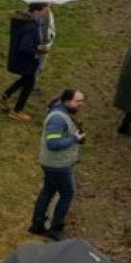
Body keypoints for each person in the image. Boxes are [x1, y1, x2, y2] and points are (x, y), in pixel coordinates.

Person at [28, 88, 85, 241]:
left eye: (81, 101)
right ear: (67, 100)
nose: (81, 104)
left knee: (48, 191)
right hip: (58, 166)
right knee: (67, 194)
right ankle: (55, 229)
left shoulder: (62, 114)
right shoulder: (57, 118)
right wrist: (74, 139)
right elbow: (52, 143)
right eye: (77, 101)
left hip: (53, 164)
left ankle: (37, 224)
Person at [0, 3, 51, 121]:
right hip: (26, 60)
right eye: (44, 11)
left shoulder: (22, 21)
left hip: (18, 57)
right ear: (36, 11)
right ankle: (17, 111)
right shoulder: (31, 26)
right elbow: (25, 47)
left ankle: (4, 96)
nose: (45, 13)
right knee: (29, 83)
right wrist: (39, 49)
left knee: (26, 79)